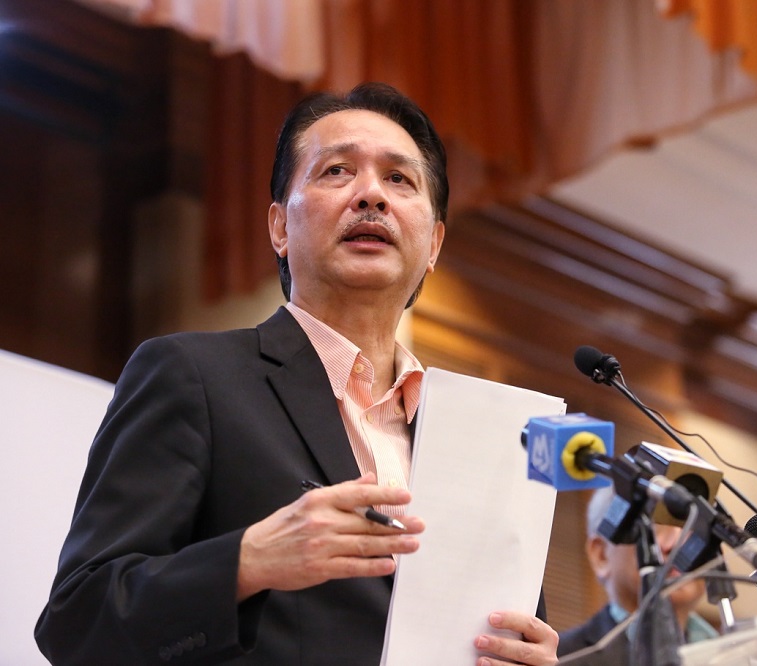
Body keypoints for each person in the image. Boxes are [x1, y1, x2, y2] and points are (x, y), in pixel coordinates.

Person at [35, 82, 558, 666]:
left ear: (433, 242)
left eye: (399, 179)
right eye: (336, 171)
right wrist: (247, 562)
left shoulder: (492, 442)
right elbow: (77, 622)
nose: (371, 196)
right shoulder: (193, 376)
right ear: (279, 227)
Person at [557, 485, 718, 660]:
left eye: (692, 526)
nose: (677, 543)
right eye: (656, 524)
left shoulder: (742, 656)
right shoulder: (559, 659)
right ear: (601, 555)